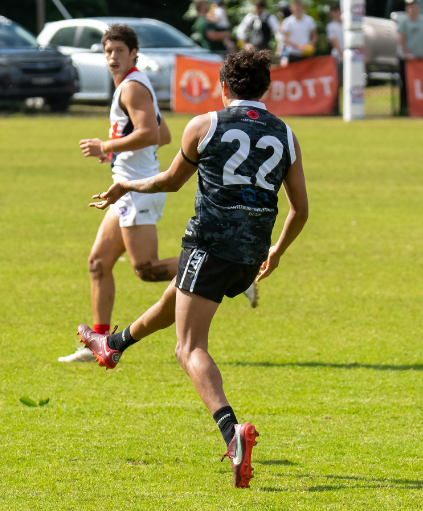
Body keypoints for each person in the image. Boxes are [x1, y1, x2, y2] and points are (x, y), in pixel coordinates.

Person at [77, 48, 309, 488]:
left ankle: (232, 432)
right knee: (174, 299)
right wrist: (276, 252)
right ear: (267, 88)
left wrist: (125, 184)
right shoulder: (286, 134)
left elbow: (169, 181)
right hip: (250, 254)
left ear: (223, 87)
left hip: (210, 245)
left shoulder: (204, 125)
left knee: (188, 347)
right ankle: (113, 345)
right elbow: (300, 209)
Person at [59, 24, 176, 363]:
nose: (112, 57)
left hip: (137, 189)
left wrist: (106, 146)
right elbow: (164, 135)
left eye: (119, 51)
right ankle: (96, 342)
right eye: (108, 51)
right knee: (98, 263)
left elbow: (150, 133)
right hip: (126, 188)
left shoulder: (132, 87)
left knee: (147, 268)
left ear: (133, 53)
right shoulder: (133, 84)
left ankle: (223, 271)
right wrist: (119, 151)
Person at [397, 0, 423, 115]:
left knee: (421, 83)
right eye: (410, 8)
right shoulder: (403, 21)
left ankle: (421, 106)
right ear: (407, 10)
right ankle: (404, 108)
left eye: (414, 8)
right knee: (405, 84)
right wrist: (406, 53)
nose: (413, 10)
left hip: (420, 57)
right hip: (407, 59)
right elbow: (401, 38)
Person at [278, 0, 318, 66]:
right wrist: (299, 47)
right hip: (293, 54)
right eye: (295, 6)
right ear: (291, 8)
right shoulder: (287, 21)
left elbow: (314, 36)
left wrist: (311, 44)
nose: (297, 8)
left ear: (302, 6)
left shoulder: (309, 20)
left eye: (299, 6)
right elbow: (286, 39)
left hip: (307, 54)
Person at [326, 3, 344, 115]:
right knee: (337, 83)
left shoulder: (346, 25)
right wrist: (343, 55)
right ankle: (336, 108)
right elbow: (334, 42)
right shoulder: (331, 26)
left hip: (347, 58)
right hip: (337, 57)